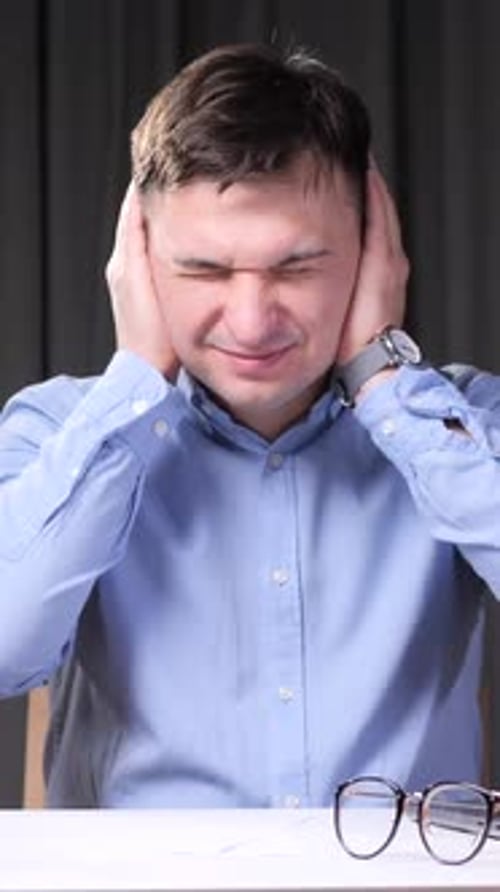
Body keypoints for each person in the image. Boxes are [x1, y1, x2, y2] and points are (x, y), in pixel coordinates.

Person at [0, 42, 498, 809]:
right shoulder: (56, 437)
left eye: (296, 268)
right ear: (138, 262)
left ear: (374, 254)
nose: (251, 319)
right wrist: (136, 380)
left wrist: (388, 387)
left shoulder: (463, 432)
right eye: (203, 269)